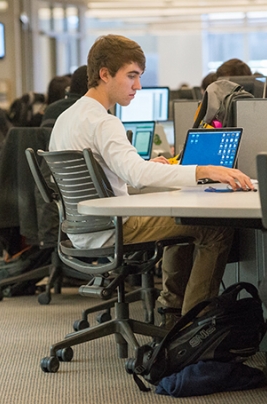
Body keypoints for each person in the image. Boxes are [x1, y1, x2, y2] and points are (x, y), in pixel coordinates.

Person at [49, 34, 254, 328]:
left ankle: (171, 312)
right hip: (114, 226)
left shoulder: (68, 118)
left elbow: (109, 176)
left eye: (139, 77)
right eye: (131, 76)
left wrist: (144, 167)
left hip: (83, 228)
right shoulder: (104, 122)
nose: (138, 86)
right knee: (214, 226)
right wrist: (204, 170)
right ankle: (194, 326)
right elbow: (138, 176)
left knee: (182, 217)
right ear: (105, 74)